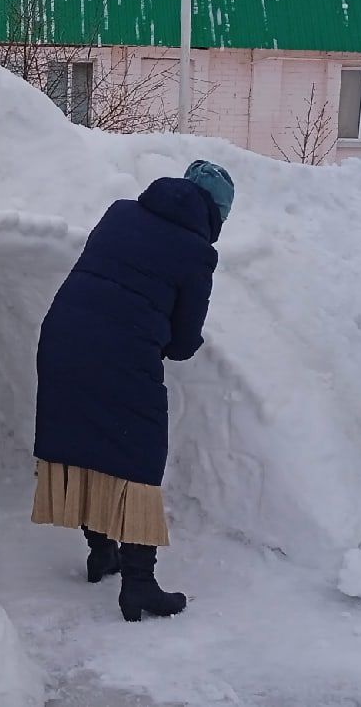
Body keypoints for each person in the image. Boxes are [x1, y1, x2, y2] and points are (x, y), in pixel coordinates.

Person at [30, 160, 234, 622]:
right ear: (217, 215)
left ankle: (101, 552)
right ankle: (139, 585)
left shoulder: (120, 212)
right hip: (121, 355)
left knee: (81, 444)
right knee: (138, 459)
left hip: (61, 338)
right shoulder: (198, 252)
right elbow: (181, 344)